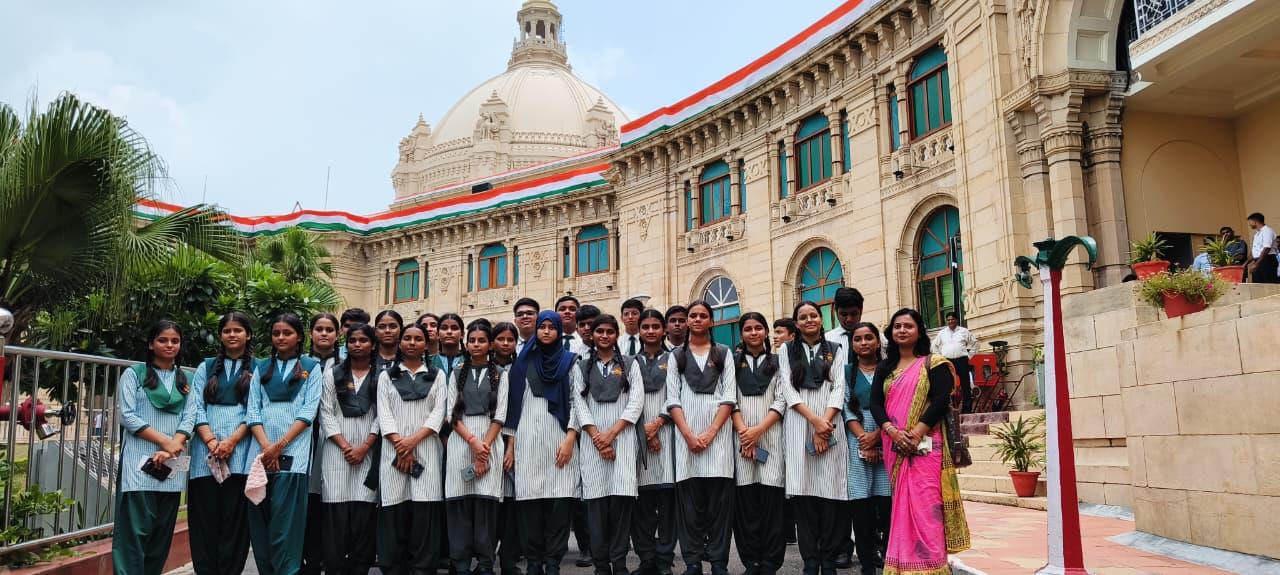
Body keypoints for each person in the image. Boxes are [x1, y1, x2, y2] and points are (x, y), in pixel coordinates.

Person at [871, 308, 971, 575]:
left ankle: (932, 567)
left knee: (927, 506)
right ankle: (902, 567)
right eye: (897, 326)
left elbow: (940, 401)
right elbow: (875, 404)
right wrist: (892, 431)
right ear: (891, 332)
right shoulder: (885, 368)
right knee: (901, 508)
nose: (902, 330)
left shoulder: (933, 363)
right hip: (895, 445)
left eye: (908, 326)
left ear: (919, 331)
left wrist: (915, 433)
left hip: (927, 447)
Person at [112, 320, 197, 575]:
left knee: (161, 537)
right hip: (139, 464)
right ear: (151, 344)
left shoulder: (187, 379)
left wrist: (173, 446)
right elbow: (127, 415)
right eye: (162, 340)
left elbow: (190, 416)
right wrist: (165, 442)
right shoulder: (134, 374)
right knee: (133, 535)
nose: (169, 345)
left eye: (175, 341)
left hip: (172, 465)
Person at [246, 313, 325, 575]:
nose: (281, 337)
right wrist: (266, 447)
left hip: (295, 456)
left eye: (287, 333)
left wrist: (279, 446)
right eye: (276, 333)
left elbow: (308, 411)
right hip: (260, 455)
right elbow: (253, 410)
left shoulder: (312, 367)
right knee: (260, 522)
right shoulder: (261, 368)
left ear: (299, 337)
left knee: (286, 524)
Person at [505, 311, 582, 575]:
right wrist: (511, 446)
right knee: (529, 507)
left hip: (559, 442)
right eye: (542, 327)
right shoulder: (522, 363)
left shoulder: (570, 362)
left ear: (559, 331)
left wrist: (570, 438)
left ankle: (553, 564)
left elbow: (576, 402)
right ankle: (534, 563)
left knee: (559, 507)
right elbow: (513, 406)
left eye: (552, 327)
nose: (546, 331)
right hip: (527, 442)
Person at [665, 300, 737, 575]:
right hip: (686, 438)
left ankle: (718, 562)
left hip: (718, 439)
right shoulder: (677, 356)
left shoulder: (723, 353)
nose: (696, 319)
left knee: (719, 507)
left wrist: (710, 433)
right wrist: (688, 435)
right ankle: (693, 562)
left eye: (702, 315)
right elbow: (672, 398)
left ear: (711, 321)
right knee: (689, 508)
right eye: (692, 315)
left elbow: (729, 396)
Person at [780, 301, 849, 575]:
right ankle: (810, 560)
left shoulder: (835, 349)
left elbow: (839, 387)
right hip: (799, 424)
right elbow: (788, 388)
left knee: (830, 494)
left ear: (821, 319)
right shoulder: (786, 350)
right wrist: (815, 422)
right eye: (803, 317)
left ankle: (828, 559)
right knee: (804, 495)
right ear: (796, 323)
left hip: (831, 425)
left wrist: (824, 424)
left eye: (813, 315)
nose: (809, 320)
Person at [573, 314, 645, 575]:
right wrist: (598, 438)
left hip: (622, 443)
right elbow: (579, 404)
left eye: (609, 332)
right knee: (596, 512)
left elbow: (636, 402)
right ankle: (601, 566)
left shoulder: (630, 364)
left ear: (617, 335)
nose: (604, 336)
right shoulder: (581, 366)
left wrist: (611, 434)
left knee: (621, 509)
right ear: (592, 335)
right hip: (592, 447)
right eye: (599, 331)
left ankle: (620, 564)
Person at [377, 324, 448, 575]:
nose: (412, 343)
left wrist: (412, 443)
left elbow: (439, 413)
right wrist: (401, 445)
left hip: (426, 450)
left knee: (425, 509)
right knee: (394, 508)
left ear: (426, 344)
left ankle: (423, 567)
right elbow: (384, 413)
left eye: (418, 339)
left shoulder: (437, 375)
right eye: (407, 338)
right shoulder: (386, 376)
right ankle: (393, 566)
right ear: (400, 343)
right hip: (393, 453)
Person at [188, 312, 255, 575]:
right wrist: (211, 440)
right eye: (227, 331)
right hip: (205, 457)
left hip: (240, 456)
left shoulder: (259, 368)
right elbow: (195, 407)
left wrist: (231, 442)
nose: (232, 335)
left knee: (234, 523)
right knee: (204, 520)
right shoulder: (205, 367)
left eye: (238, 330)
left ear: (248, 335)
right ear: (220, 335)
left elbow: (256, 410)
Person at [446, 322, 510, 575]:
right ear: (466, 343)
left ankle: (485, 564)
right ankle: (460, 564)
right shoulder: (456, 373)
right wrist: (473, 442)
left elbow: (500, 414)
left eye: (481, 340)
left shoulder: (501, 374)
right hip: (461, 440)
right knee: (459, 504)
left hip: (490, 441)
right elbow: (451, 415)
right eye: (472, 340)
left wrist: (483, 450)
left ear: (490, 344)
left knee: (486, 506)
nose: (476, 344)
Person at [318, 323, 381, 575]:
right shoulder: (333, 374)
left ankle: (359, 568)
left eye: (363, 340)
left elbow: (383, 413)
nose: (357, 344)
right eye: (352, 340)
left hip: (368, 452)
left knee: (363, 515)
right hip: (336, 453)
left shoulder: (382, 375)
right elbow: (326, 412)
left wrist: (365, 446)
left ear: (373, 345)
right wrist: (345, 446)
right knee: (335, 512)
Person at [730, 313, 786, 575]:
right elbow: (730, 400)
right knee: (746, 505)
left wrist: (758, 431)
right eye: (748, 329)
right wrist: (745, 433)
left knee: (772, 504)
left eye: (758, 328)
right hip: (741, 440)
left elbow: (781, 399)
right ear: (741, 333)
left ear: (765, 332)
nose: (753, 333)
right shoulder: (732, 363)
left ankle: (770, 563)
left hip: (771, 438)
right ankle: (751, 562)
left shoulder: (779, 362)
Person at [631, 309, 677, 575]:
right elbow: (627, 401)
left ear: (664, 330)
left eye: (655, 326)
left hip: (668, 434)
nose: (650, 331)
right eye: (645, 326)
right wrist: (645, 433)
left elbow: (676, 395)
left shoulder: (675, 359)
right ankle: (646, 558)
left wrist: (657, 425)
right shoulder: (630, 362)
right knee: (642, 505)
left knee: (668, 503)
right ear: (639, 330)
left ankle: (665, 559)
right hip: (636, 436)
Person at [843, 323, 891, 575]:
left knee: (886, 505)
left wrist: (879, 435)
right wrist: (865, 438)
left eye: (869, 338)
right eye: (858, 339)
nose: (863, 343)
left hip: (888, 437)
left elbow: (896, 406)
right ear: (852, 345)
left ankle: (889, 556)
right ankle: (867, 563)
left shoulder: (890, 371)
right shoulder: (846, 373)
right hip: (857, 440)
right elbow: (846, 409)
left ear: (878, 342)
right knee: (861, 508)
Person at [302, 312, 342, 575]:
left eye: (329, 329)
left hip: (335, 436)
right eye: (319, 329)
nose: (324, 333)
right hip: (304, 435)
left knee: (331, 499)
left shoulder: (345, 365)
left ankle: (331, 557)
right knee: (308, 499)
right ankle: (308, 557)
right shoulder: (300, 364)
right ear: (310, 333)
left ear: (338, 335)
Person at [553, 295, 591, 568]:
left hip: (584, 422)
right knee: (559, 483)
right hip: (556, 420)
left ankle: (587, 546)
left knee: (582, 489)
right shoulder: (550, 344)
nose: (567, 313)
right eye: (562, 309)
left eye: (571, 309)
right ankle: (556, 544)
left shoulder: (585, 346)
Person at [490, 322, 523, 575]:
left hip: (514, 439)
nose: (505, 343)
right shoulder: (482, 368)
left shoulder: (520, 369)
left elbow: (517, 408)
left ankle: (509, 561)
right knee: (491, 505)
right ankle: (486, 559)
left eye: (510, 339)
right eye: (500, 339)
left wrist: (510, 445)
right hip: (486, 439)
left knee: (511, 505)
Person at [930, 312, 977, 413]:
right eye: (948, 320)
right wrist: (940, 358)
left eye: (952, 319)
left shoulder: (964, 331)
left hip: (962, 360)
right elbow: (934, 346)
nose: (950, 321)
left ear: (956, 320)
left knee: (965, 385)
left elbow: (975, 343)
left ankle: (967, 410)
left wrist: (969, 356)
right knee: (946, 385)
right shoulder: (942, 333)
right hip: (948, 362)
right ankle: (947, 409)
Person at [1247, 212, 1278, 283]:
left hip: (1267, 260)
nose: (1249, 224)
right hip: (1259, 261)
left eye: (1250, 222)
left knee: (1269, 285)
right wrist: (1245, 264)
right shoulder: (1256, 234)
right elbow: (1254, 251)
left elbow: (1267, 248)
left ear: (1255, 221)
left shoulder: (1267, 231)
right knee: (1258, 285)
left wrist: (1256, 264)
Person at [435, 313, 467, 380]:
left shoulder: (470, 361)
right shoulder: (428, 362)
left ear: (462, 334)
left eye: (454, 328)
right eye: (444, 328)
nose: (449, 332)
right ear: (437, 334)